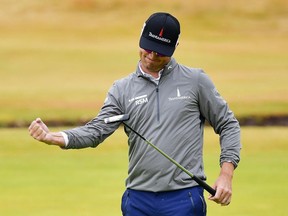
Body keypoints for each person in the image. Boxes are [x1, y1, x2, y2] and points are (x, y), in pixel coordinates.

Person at [29, 12, 241, 216]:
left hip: (183, 198)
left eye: (160, 51)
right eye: (148, 48)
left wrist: (226, 174)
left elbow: (228, 124)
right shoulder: (122, 89)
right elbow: (96, 131)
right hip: (138, 199)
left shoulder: (195, 81)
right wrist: (54, 138)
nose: (152, 56)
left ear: (175, 46)